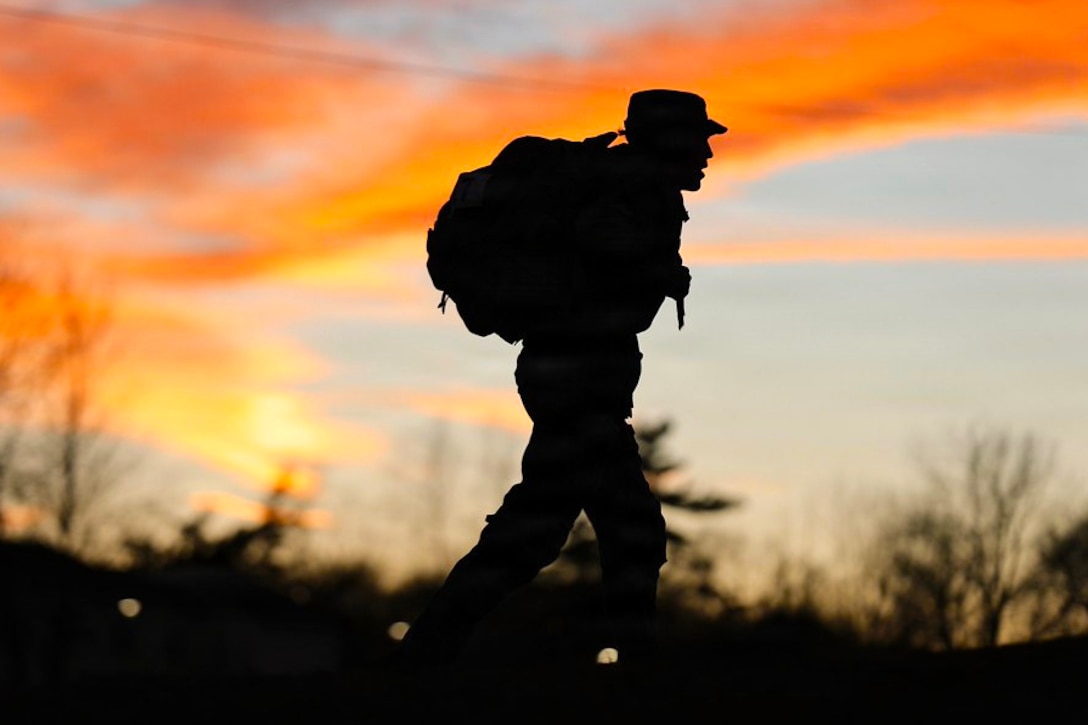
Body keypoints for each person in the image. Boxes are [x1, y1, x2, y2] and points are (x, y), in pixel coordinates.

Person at [400, 89, 726, 664]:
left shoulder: (627, 184)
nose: (706, 151)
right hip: (576, 377)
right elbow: (601, 253)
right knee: (596, 531)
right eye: (699, 138)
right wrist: (653, 270)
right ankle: (629, 665)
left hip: (574, 376)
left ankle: (428, 651)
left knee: (572, 530)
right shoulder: (634, 188)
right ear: (669, 139)